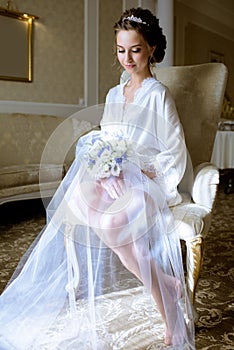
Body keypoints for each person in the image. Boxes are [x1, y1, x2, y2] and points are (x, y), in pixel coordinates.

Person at [0, 7, 195, 349]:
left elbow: (174, 151)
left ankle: (171, 315)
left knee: (117, 225)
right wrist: (104, 163)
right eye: (121, 50)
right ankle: (165, 282)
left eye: (135, 49)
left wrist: (141, 169)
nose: (127, 58)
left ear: (150, 48)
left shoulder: (158, 95)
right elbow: (107, 137)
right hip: (112, 177)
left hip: (146, 180)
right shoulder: (113, 94)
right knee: (79, 199)